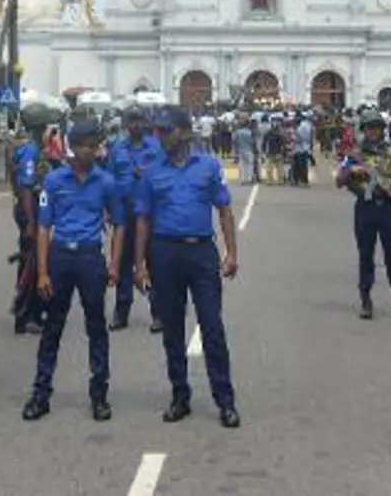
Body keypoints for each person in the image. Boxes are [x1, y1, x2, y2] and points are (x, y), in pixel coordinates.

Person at [135, 107, 240, 428]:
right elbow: (143, 219)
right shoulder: (152, 172)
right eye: (157, 131)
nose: (159, 137)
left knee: (212, 327)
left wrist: (231, 253)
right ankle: (180, 396)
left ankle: (225, 401)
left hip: (201, 255)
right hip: (165, 254)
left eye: (165, 131)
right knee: (172, 330)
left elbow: (224, 211)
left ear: (183, 132)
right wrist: (139, 265)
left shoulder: (208, 167)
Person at [23, 121, 126, 422]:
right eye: (83, 145)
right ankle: (41, 394)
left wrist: (115, 265)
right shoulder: (54, 181)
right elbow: (44, 227)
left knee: (96, 326)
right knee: (53, 326)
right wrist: (42, 272)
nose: (88, 151)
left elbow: (119, 224)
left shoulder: (106, 182)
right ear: (71, 146)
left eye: (93, 146)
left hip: (90, 257)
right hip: (60, 258)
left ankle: (99, 396)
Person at [337, 110, 391, 321]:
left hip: (388, 210)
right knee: (365, 256)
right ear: (364, 130)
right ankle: (366, 301)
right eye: (369, 128)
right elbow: (339, 180)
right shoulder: (354, 154)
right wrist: (352, 171)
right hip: (365, 209)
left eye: (377, 127)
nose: (373, 131)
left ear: (383, 130)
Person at [106, 106, 163, 332]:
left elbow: (163, 175)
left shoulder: (155, 147)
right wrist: (108, 207)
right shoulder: (117, 147)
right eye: (132, 120)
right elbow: (109, 178)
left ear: (146, 123)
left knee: (153, 263)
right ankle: (121, 312)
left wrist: (146, 174)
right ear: (126, 124)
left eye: (140, 120)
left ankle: (158, 313)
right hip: (123, 211)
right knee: (121, 262)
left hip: (149, 214)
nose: (136, 124)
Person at [12, 104, 53, 335]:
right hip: (30, 212)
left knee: (34, 262)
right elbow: (26, 188)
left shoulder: (35, 148)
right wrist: (30, 222)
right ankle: (25, 315)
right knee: (32, 265)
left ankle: (33, 312)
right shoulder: (30, 150)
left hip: (35, 211)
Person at [292, 113, 314, 186]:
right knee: (304, 165)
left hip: (299, 148)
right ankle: (304, 181)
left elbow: (298, 138)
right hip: (306, 147)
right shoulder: (309, 126)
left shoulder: (301, 127)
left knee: (297, 165)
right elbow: (311, 137)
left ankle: (298, 180)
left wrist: (294, 139)